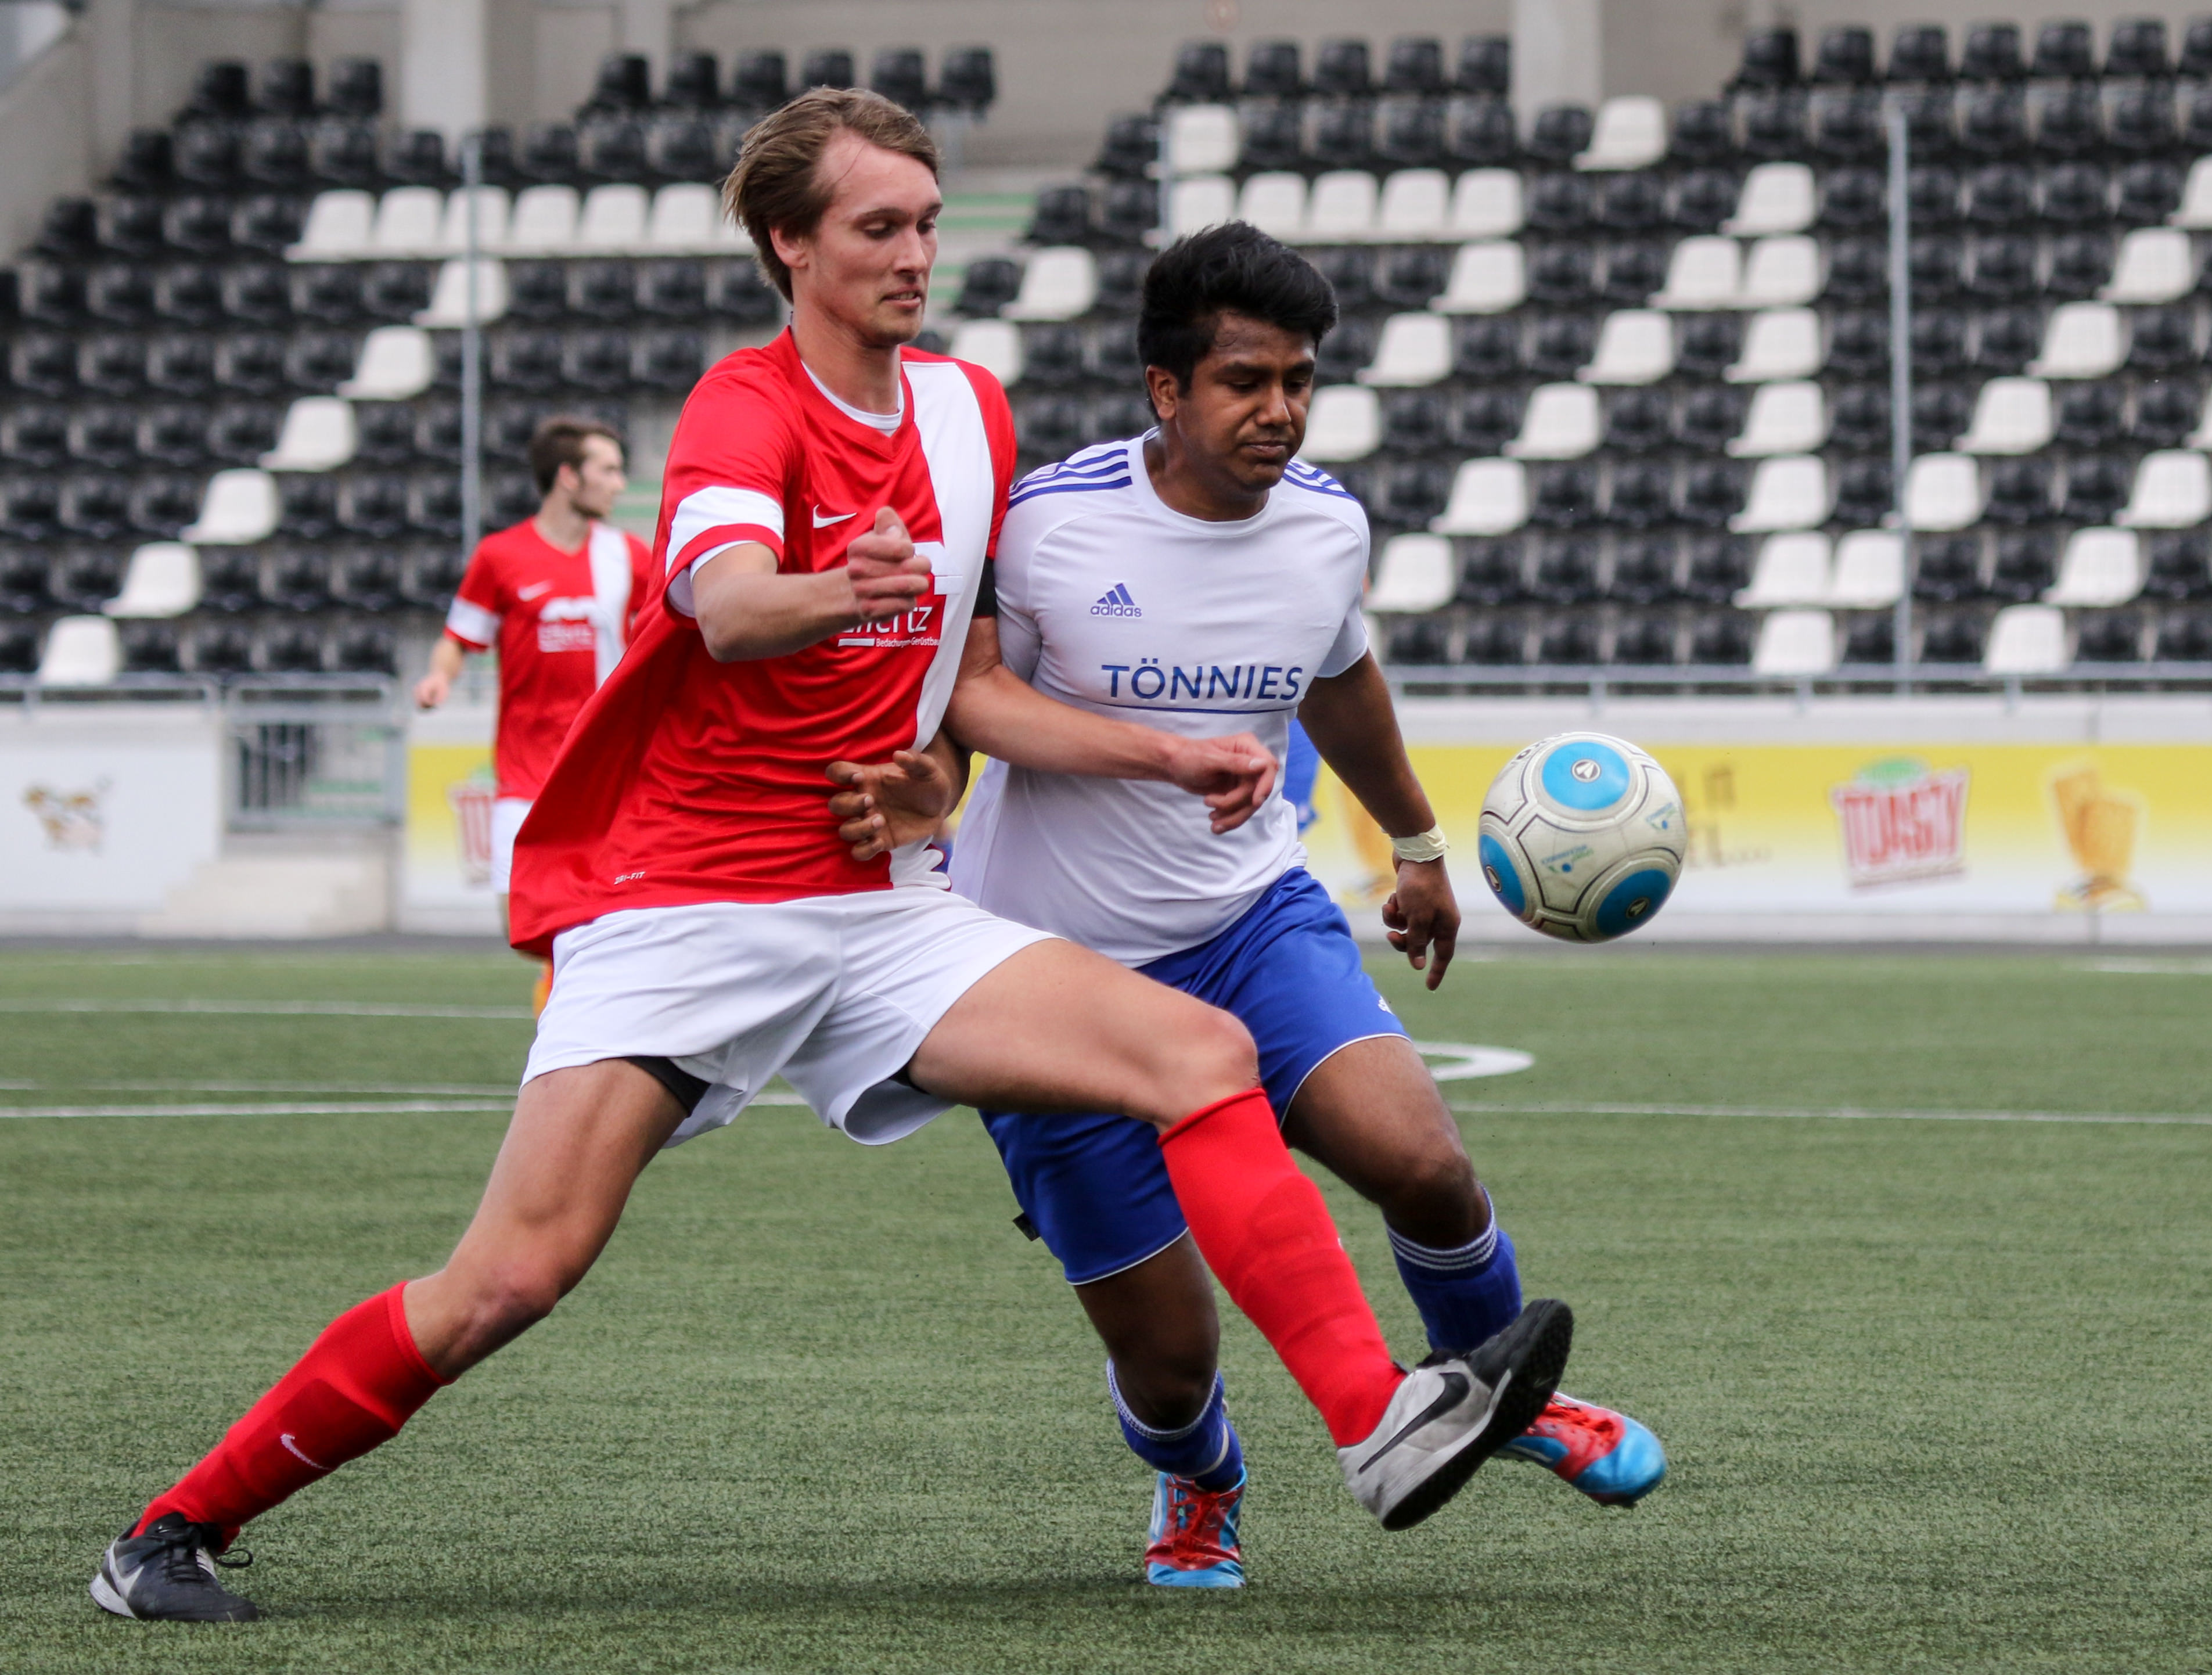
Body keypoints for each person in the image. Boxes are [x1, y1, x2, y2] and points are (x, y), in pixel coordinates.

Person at [89, 91, 1568, 1626]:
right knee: (511, 1277)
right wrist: (834, 586)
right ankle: (173, 1529)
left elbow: (968, 690)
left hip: (883, 909)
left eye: (926, 222)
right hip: (687, 906)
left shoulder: (968, 411)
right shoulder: (744, 405)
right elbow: (728, 604)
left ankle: (1373, 1420)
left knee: (1200, 1055)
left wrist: (1009, 767)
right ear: (789, 245)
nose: (916, 253)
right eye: (878, 226)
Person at [835, 223, 1664, 1591]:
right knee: (1169, 1357)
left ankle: (1493, 1385)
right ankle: (1202, 1475)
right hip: (1050, 975)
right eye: (1245, 381)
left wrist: (1416, 844)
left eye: (1299, 380)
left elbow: (1340, 682)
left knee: (1424, 1161)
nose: (1280, 408)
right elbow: (972, 701)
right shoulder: (1049, 522)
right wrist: (931, 788)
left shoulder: (1328, 525)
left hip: (1249, 923)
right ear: (1167, 390)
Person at [412, 416, 649, 1008]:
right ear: (568, 477)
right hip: (525, 777)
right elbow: (459, 636)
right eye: (608, 470)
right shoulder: (501, 556)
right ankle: (570, 989)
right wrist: (440, 677)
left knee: (607, 919)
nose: (619, 484)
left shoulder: (629, 557)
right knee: (520, 924)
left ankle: (588, 1020)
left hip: (605, 777)